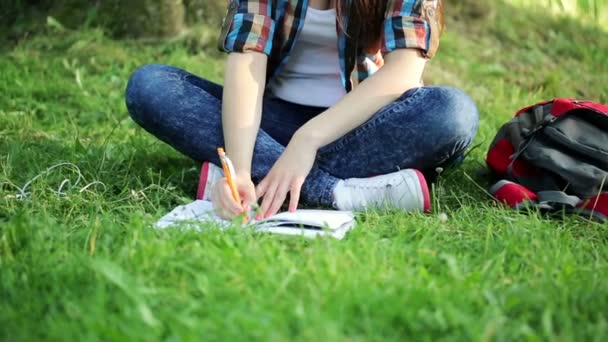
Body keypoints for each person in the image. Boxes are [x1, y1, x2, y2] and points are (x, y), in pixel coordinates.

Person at [125, 0, 479, 220]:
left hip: (363, 126)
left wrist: (307, 140)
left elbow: (403, 71)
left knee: (453, 112)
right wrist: (242, 168)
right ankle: (341, 194)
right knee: (151, 86)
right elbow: (246, 61)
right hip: (270, 122)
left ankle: (269, 183)